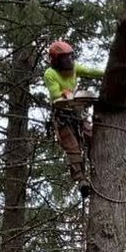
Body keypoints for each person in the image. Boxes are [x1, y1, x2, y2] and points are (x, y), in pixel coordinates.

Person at [44, 39, 102, 185]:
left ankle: (98, 165)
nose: (69, 60)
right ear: (57, 60)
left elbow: (91, 71)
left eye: (71, 56)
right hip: (62, 115)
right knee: (72, 147)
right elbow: (56, 96)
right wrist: (69, 95)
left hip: (76, 112)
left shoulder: (74, 68)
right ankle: (81, 179)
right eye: (65, 57)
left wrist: (111, 73)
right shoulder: (50, 73)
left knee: (92, 136)